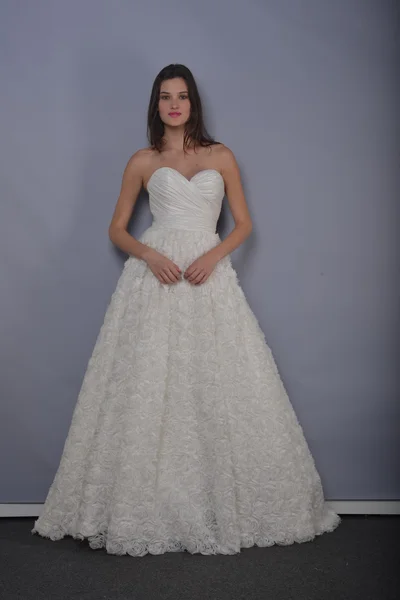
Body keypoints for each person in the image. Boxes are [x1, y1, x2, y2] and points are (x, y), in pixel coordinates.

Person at [31, 64, 341, 556]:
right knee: (147, 382)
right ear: (156, 106)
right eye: (164, 97)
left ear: (193, 103)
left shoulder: (222, 156)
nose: (174, 104)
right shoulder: (142, 160)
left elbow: (243, 225)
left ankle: (219, 497)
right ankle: (145, 504)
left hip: (207, 274)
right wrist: (150, 254)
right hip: (155, 278)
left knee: (217, 381)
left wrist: (213, 258)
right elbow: (116, 228)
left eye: (182, 96)